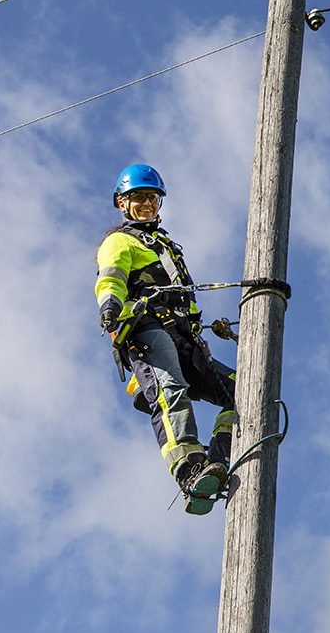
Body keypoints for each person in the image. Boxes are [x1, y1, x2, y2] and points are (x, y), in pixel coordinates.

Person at [96, 163, 236, 515]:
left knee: (243, 391)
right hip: (147, 327)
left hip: (184, 337)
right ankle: (190, 470)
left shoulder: (164, 245)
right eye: (138, 197)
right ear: (122, 203)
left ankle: (218, 458)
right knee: (170, 389)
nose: (147, 204)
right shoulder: (121, 241)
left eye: (152, 198)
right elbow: (110, 278)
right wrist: (110, 308)